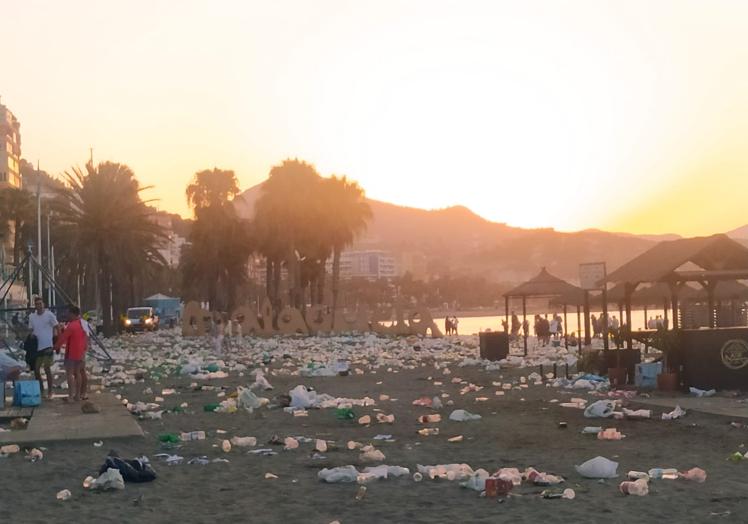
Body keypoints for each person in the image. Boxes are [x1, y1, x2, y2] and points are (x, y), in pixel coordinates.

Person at [54, 305, 89, 401]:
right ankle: (78, 395)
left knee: (70, 374)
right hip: (81, 352)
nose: (67, 315)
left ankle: (70, 395)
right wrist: (85, 349)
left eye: (68, 313)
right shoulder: (83, 324)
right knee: (78, 373)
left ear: (73, 314)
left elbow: (62, 338)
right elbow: (86, 337)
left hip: (72, 352)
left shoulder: (71, 326)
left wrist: (55, 347)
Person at [28, 296, 59, 400]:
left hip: (48, 346)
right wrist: (31, 335)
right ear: (35, 305)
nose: (39, 306)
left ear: (43, 304)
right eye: (37, 304)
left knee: (47, 368)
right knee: (36, 370)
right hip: (37, 347)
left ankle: (50, 391)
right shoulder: (32, 317)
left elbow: (56, 326)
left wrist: (56, 337)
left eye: (40, 304)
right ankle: (41, 391)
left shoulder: (49, 315)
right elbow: (31, 329)